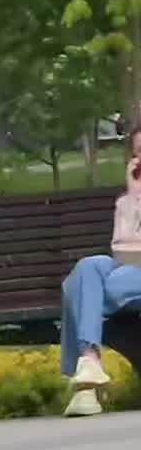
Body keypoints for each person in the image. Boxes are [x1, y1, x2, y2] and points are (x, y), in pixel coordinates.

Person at [60, 133, 141, 418]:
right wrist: (135, 197)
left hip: (129, 277)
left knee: (77, 289)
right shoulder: (127, 202)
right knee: (88, 267)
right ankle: (90, 360)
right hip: (130, 270)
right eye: (138, 153)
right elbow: (123, 249)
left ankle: (85, 389)